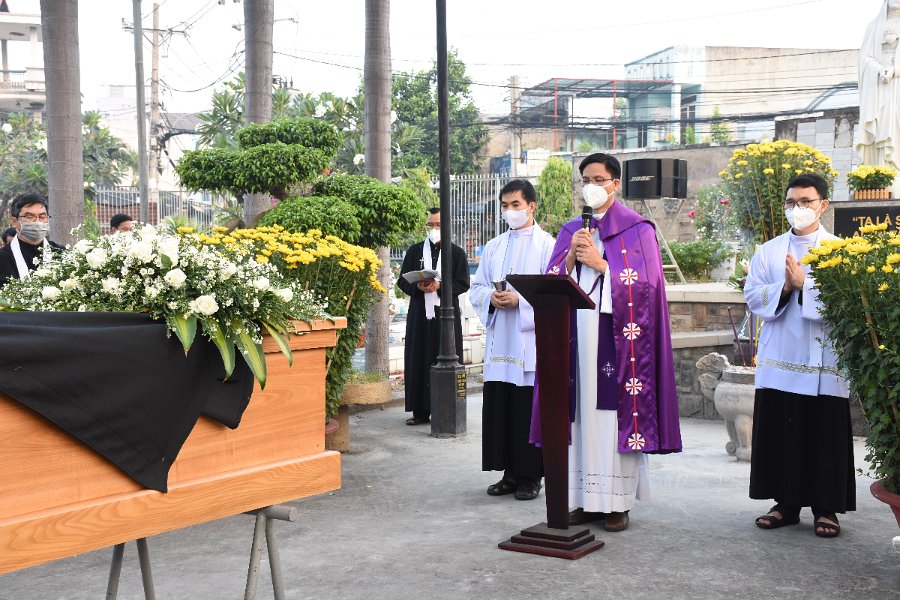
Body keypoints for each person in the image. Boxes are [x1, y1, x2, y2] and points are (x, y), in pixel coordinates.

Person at [532, 153, 682, 532]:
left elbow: (648, 288)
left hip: (617, 339)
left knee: (612, 419)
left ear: (615, 183)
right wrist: (570, 256)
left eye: (598, 179)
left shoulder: (638, 229)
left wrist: (603, 265)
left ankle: (616, 504)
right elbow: (550, 280)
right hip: (574, 338)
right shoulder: (572, 230)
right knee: (579, 416)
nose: (591, 186)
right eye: (585, 179)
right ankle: (583, 500)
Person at [744, 173, 853, 539]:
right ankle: (785, 504)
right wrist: (785, 287)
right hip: (781, 356)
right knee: (783, 431)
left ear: (823, 205)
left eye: (806, 201)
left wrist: (806, 285)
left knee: (823, 433)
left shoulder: (838, 250)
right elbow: (753, 295)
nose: (798, 208)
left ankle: (826, 508)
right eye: (791, 202)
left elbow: (847, 302)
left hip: (824, 360)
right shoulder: (769, 251)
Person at [470, 180, 555, 501]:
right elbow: (477, 287)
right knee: (502, 407)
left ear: (532, 206)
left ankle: (531, 477)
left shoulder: (548, 246)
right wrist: (490, 298)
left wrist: (521, 301)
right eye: (504, 206)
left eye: (515, 205)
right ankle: (508, 474)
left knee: (526, 410)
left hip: (529, 344)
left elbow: (554, 292)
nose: (509, 211)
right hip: (500, 342)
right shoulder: (494, 246)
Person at [397, 207, 470, 426]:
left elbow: (463, 283)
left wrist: (440, 286)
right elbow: (402, 281)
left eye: (438, 225)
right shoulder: (415, 251)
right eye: (431, 225)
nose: (434, 228)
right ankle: (419, 411)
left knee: (446, 356)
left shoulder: (456, 253)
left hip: (446, 315)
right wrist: (418, 287)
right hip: (420, 314)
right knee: (418, 357)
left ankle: (445, 409)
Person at [856, 0, 900, 198]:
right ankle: (878, 178)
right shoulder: (873, 27)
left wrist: (895, 71)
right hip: (878, 87)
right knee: (880, 127)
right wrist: (880, 69)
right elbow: (865, 59)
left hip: (897, 88)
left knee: (895, 128)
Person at [0, 194, 64, 288]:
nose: (37, 222)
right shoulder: (3, 257)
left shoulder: (62, 253)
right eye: (30, 216)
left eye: (42, 216)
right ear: (14, 221)